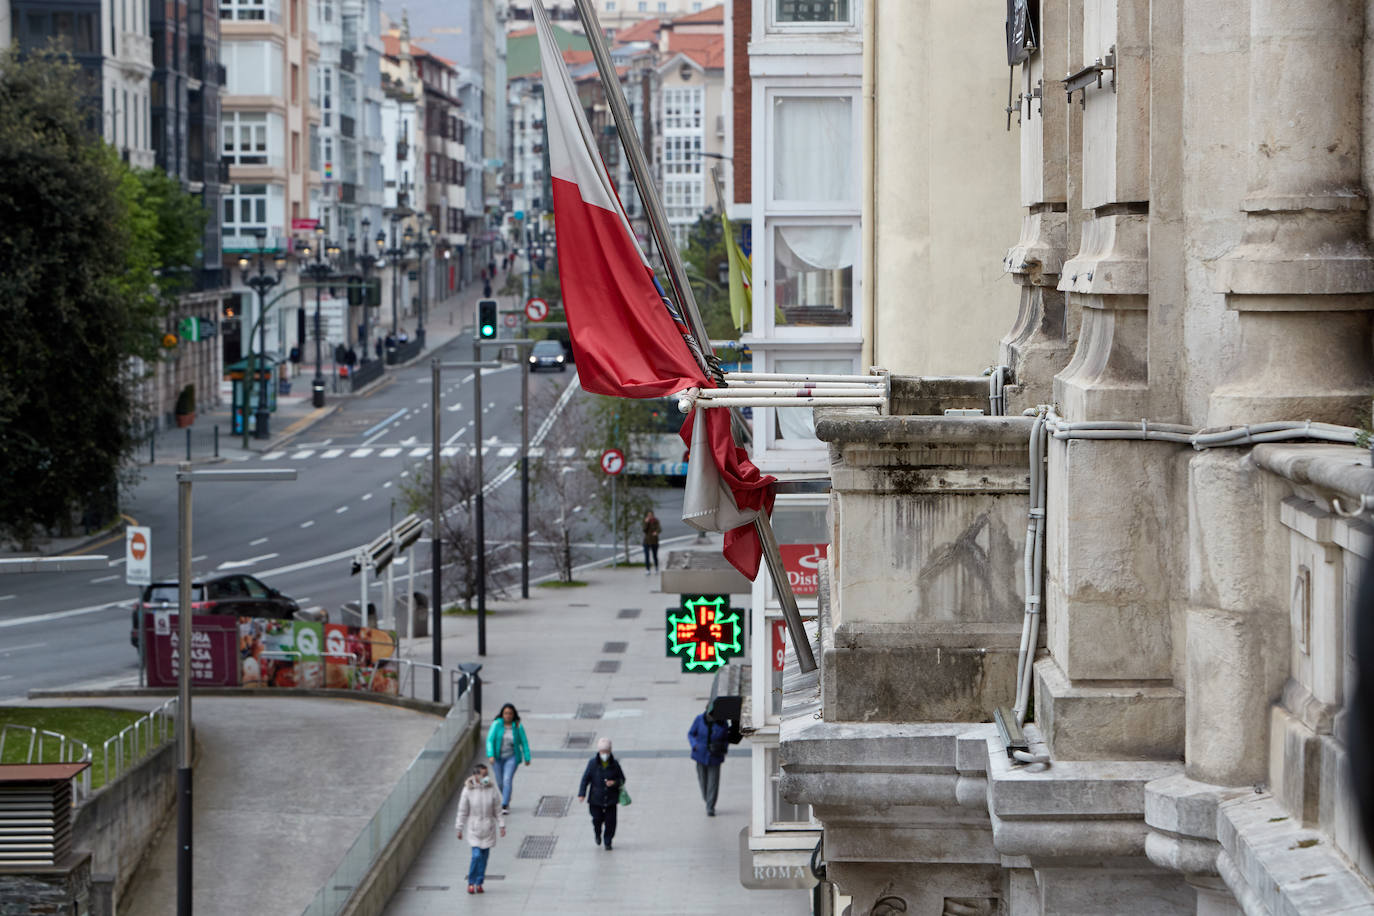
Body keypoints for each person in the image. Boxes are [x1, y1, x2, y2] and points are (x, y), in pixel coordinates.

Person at [455, 762, 505, 894]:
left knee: (484, 858)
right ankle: (471, 882)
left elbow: (497, 809)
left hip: (488, 828)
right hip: (475, 828)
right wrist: (459, 828)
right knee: (476, 856)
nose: (486, 777)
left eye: (487, 774)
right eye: (483, 775)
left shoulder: (492, 789)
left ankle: (480, 882)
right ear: (476, 776)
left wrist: (501, 825)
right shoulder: (468, 790)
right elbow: (462, 810)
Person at [577, 737, 626, 850]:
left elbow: (622, 779)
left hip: (611, 799)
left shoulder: (615, 764)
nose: (604, 754)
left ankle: (608, 841)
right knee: (597, 819)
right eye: (602, 752)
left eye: (606, 752)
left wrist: (614, 783)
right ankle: (597, 833)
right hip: (596, 799)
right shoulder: (592, 763)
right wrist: (582, 793)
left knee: (611, 822)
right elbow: (585, 779)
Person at [485, 703, 531, 814]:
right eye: (506, 713)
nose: (508, 715)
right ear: (502, 714)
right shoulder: (496, 724)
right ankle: (507, 796)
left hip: (512, 757)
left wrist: (527, 757)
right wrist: (490, 755)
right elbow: (489, 740)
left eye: (510, 713)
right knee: (500, 782)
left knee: (507, 779)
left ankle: (504, 804)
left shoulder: (518, 727)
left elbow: (524, 742)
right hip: (497, 757)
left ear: (513, 715)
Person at [688, 700, 731, 816]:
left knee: (713, 782)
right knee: (703, 781)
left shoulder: (722, 723)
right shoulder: (699, 719)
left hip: (715, 756)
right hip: (700, 755)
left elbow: (726, 738)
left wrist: (723, 748)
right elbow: (691, 733)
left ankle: (710, 806)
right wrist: (695, 745)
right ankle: (707, 800)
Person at [642, 510, 661, 575]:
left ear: (653, 515)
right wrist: (646, 523)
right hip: (646, 541)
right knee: (647, 556)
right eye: (648, 515)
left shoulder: (656, 521)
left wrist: (656, 532)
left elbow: (659, 529)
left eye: (651, 515)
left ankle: (656, 567)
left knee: (655, 555)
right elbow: (644, 530)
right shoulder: (645, 521)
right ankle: (647, 569)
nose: (649, 516)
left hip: (654, 541)